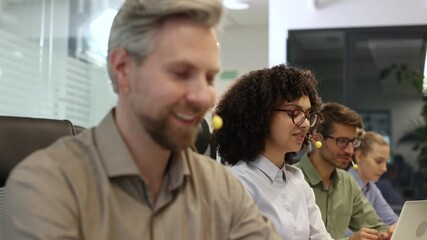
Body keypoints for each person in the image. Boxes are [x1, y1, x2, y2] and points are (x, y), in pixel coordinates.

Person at [3, 0, 281, 239]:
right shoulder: (47, 186)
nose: (204, 98)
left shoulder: (219, 185)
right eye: (181, 73)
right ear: (123, 69)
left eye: (209, 78)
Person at [212, 64, 333, 240]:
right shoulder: (237, 184)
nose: (306, 123)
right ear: (261, 115)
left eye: (307, 114)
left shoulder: (298, 181)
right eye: (294, 112)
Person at [295, 102, 392, 240]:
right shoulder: (292, 180)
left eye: (353, 142)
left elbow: (375, 227)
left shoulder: (346, 182)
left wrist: (389, 233)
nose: (350, 150)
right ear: (316, 138)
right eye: (342, 141)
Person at [346, 131, 398, 235]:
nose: (384, 168)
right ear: (359, 156)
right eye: (379, 161)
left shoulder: (370, 187)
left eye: (386, 162)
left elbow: (392, 221)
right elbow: (338, 231)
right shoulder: (343, 185)